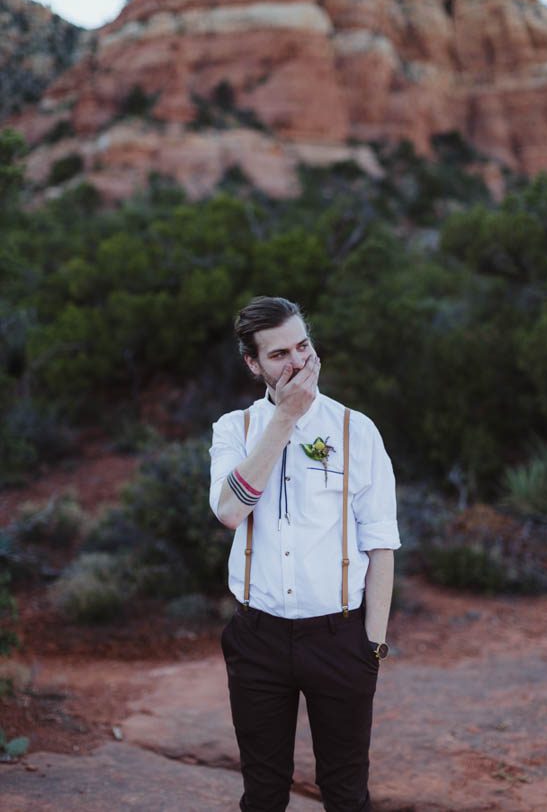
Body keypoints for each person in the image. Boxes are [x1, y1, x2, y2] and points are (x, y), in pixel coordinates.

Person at [209, 295, 401, 812]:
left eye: (303, 345)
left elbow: (380, 542)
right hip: (258, 636)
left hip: (339, 637)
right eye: (278, 355)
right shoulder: (234, 430)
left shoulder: (355, 430)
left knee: (345, 794)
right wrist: (284, 420)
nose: (297, 362)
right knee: (264, 793)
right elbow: (230, 510)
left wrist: (373, 646)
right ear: (253, 364)